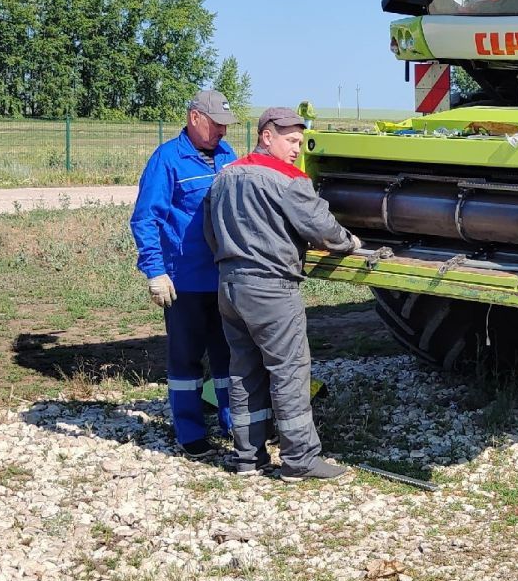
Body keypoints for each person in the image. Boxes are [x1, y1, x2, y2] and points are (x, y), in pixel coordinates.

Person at [202, 107, 361, 479]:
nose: (296, 149)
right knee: (289, 372)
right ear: (266, 136)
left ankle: (247, 458)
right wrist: (349, 242)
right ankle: (299, 460)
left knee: (243, 371)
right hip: (271, 289)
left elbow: (209, 230)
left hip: (229, 285)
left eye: (300, 142)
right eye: (290, 141)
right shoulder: (287, 179)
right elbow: (321, 228)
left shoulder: (224, 176)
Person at [129, 89, 240, 459]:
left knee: (228, 358)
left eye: (227, 125)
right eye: (217, 124)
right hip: (184, 282)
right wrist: (155, 271)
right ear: (195, 118)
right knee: (186, 361)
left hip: (224, 278)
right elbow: (146, 218)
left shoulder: (228, 157)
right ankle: (190, 432)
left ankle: (235, 425)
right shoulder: (167, 160)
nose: (223, 131)